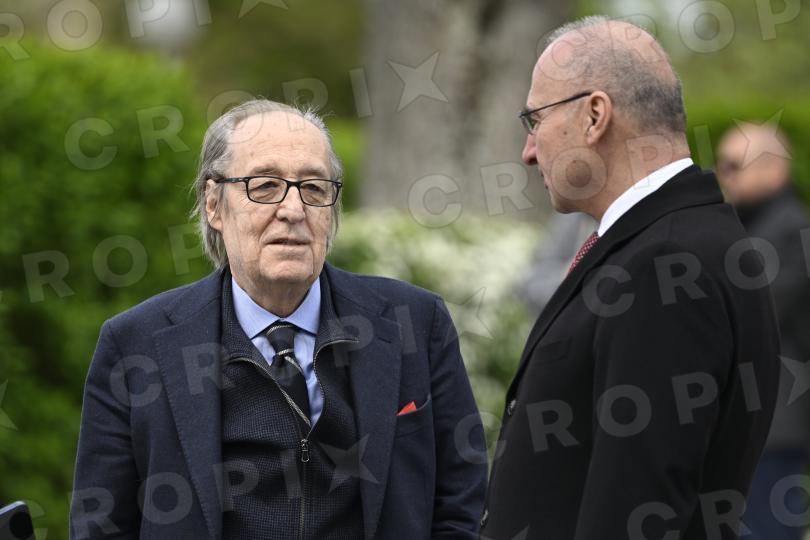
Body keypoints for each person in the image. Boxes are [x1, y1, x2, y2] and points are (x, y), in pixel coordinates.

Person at [70, 99, 488, 539]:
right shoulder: (136, 344)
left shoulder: (414, 323)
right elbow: (101, 526)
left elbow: (461, 500)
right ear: (214, 205)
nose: (293, 209)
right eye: (265, 186)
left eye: (314, 188)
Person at [481, 16, 781, 540]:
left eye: (535, 120)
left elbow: (639, 508)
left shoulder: (665, 264)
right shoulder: (673, 242)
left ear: (594, 116)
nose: (528, 151)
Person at [717, 125, 810, 540]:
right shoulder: (747, 227)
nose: (723, 174)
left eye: (733, 164)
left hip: (773, 429)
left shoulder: (794, 232)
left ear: (775, 170)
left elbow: (750, 313)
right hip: (747, 427)